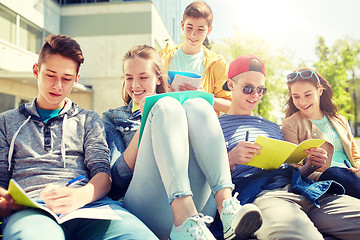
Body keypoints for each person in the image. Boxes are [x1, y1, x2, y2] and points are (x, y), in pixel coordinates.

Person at [0, 34, 157, 240]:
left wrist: (78, 197)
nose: (57, 86)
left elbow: (103, 175)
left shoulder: (88, 120)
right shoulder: (6, 122)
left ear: (76, 79)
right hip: (33, 209)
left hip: (89, 207)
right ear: (36, 71)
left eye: (66, 79)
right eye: (50, 75)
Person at [102, 45, 262, 240]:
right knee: (165, 106)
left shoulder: (179, 107)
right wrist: (146, 121)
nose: (135, 84)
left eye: (143, 77)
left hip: (202, 209)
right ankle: (183, 217)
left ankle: (227, 207)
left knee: (198, 104)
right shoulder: (113, 117)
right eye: (129, 78)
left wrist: (196, 98)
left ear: (158, 78)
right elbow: (116, 180)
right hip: (147, 206)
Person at [216, 54, 360, 239]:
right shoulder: (215, 126)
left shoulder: (273, 127)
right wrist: (230, 160)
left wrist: (310, 166)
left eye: (261, 90)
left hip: (306, 190)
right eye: (248, 88)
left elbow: (291, 169)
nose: (255, 95)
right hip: (265, 195)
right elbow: (207, 179)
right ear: (231, 84)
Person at [282, 67, 360, 198]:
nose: (302, 102)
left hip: (353, 177)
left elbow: (355, 156)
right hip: (326, 179)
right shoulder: (290, 125)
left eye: (308, 95)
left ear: (319, 91)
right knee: (335, 173)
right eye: (296, 96)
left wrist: (357, 168)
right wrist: (310, 165)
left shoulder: (340, 120)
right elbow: (294, 170)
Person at [159, 1, 232, 115]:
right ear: (182, 25)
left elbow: (230, 106)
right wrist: (163, 92)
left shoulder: (217, 64)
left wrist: (204, 97)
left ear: (209, 30)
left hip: (201, 126)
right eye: (189, 27)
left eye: (200, 29)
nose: (194, 34)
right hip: (168, 120)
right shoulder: (162, 57)